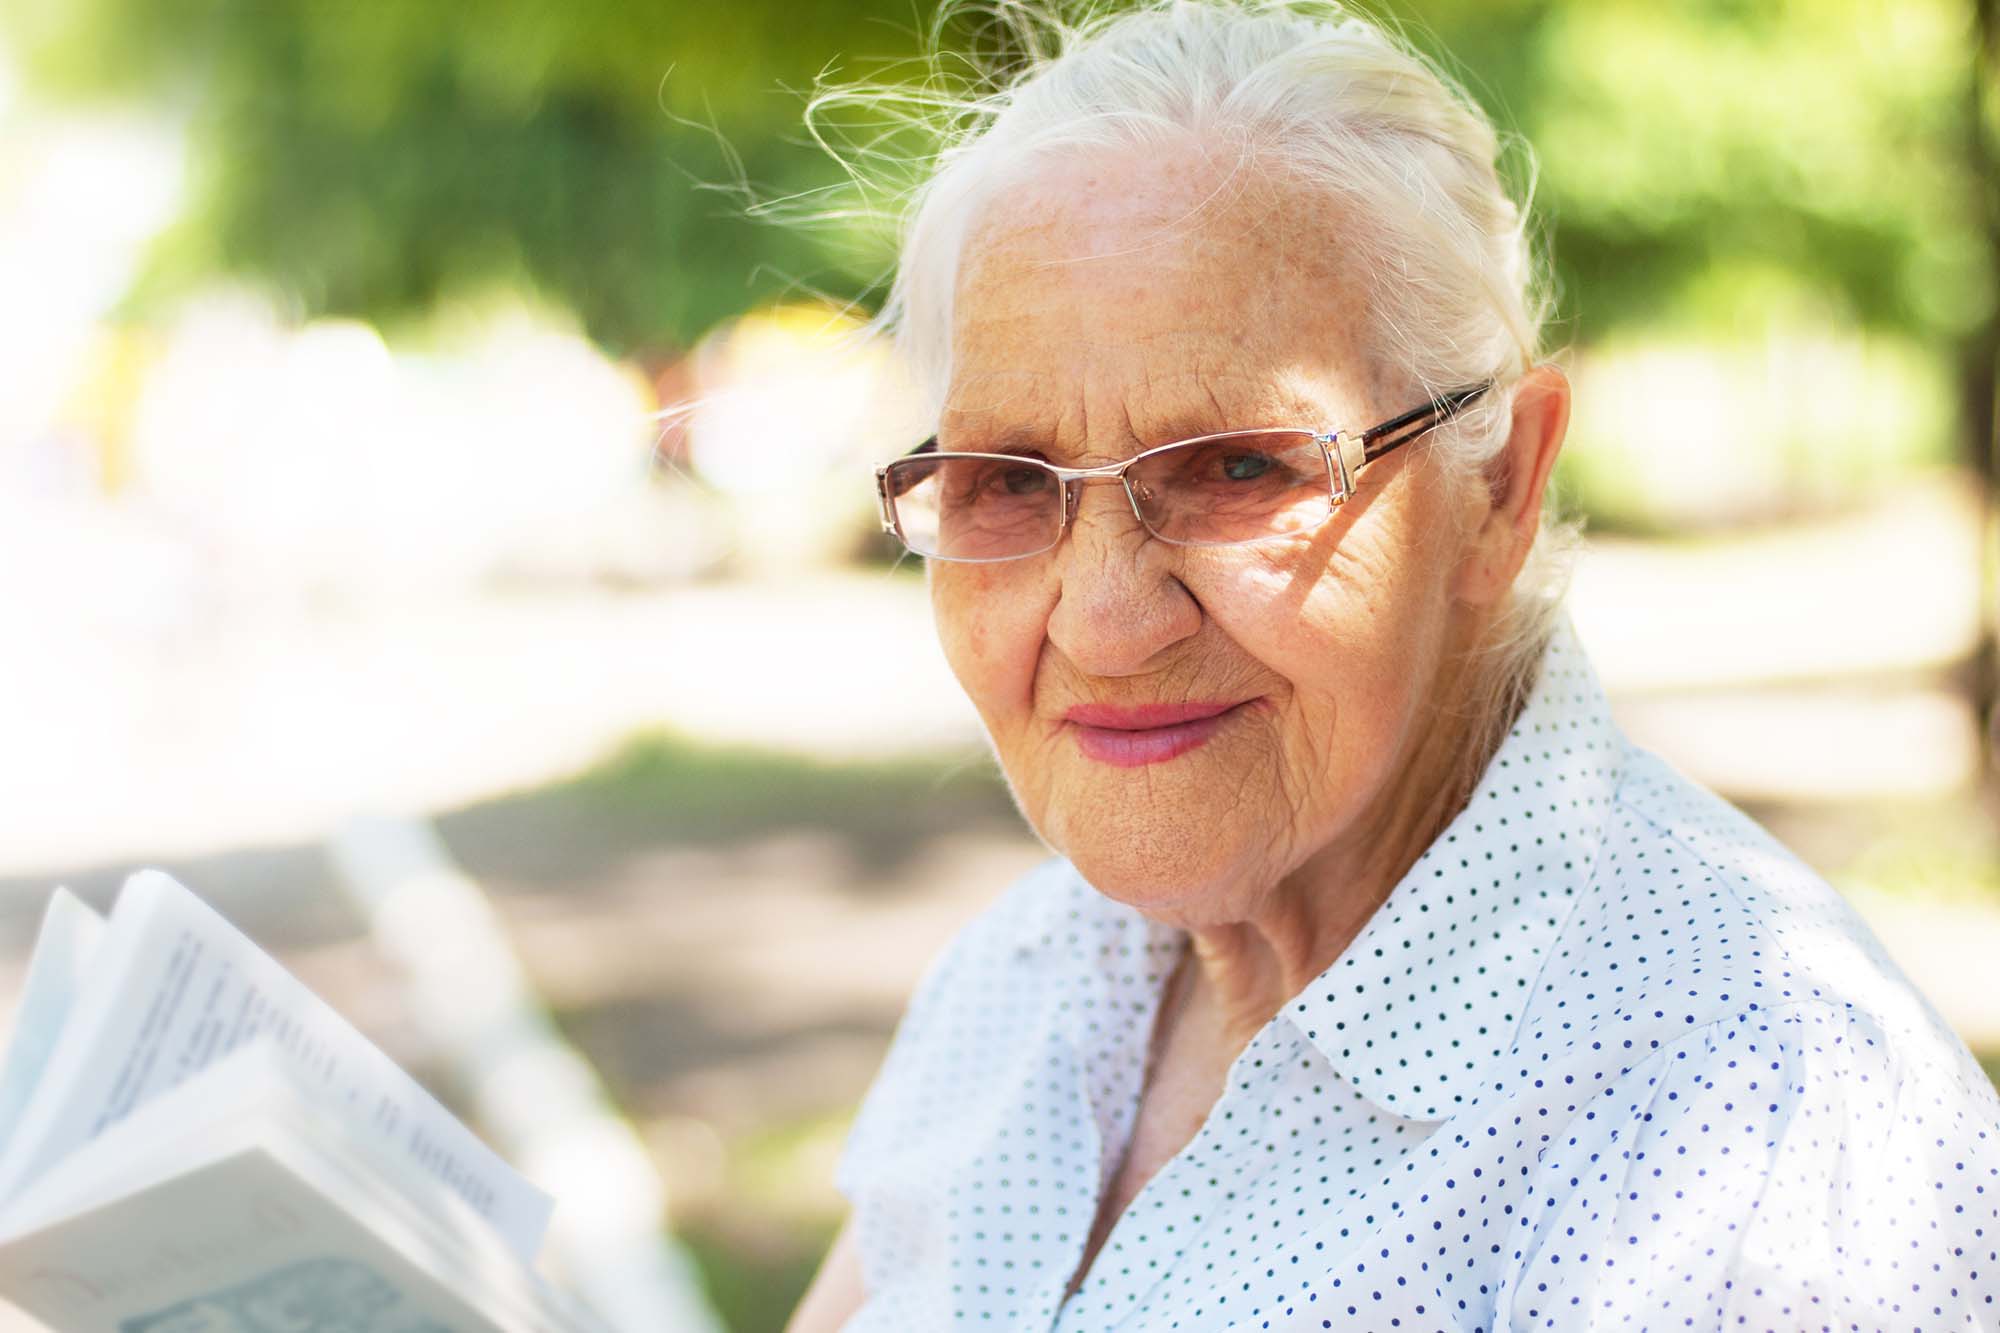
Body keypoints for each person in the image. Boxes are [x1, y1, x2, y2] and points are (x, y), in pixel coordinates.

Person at [788, 3, 2000, 1329]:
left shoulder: (1760, 1129)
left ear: (1502, 485)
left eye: (1241, 464)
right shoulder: (1021, 977)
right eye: (1007, 481)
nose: (1104, 621)